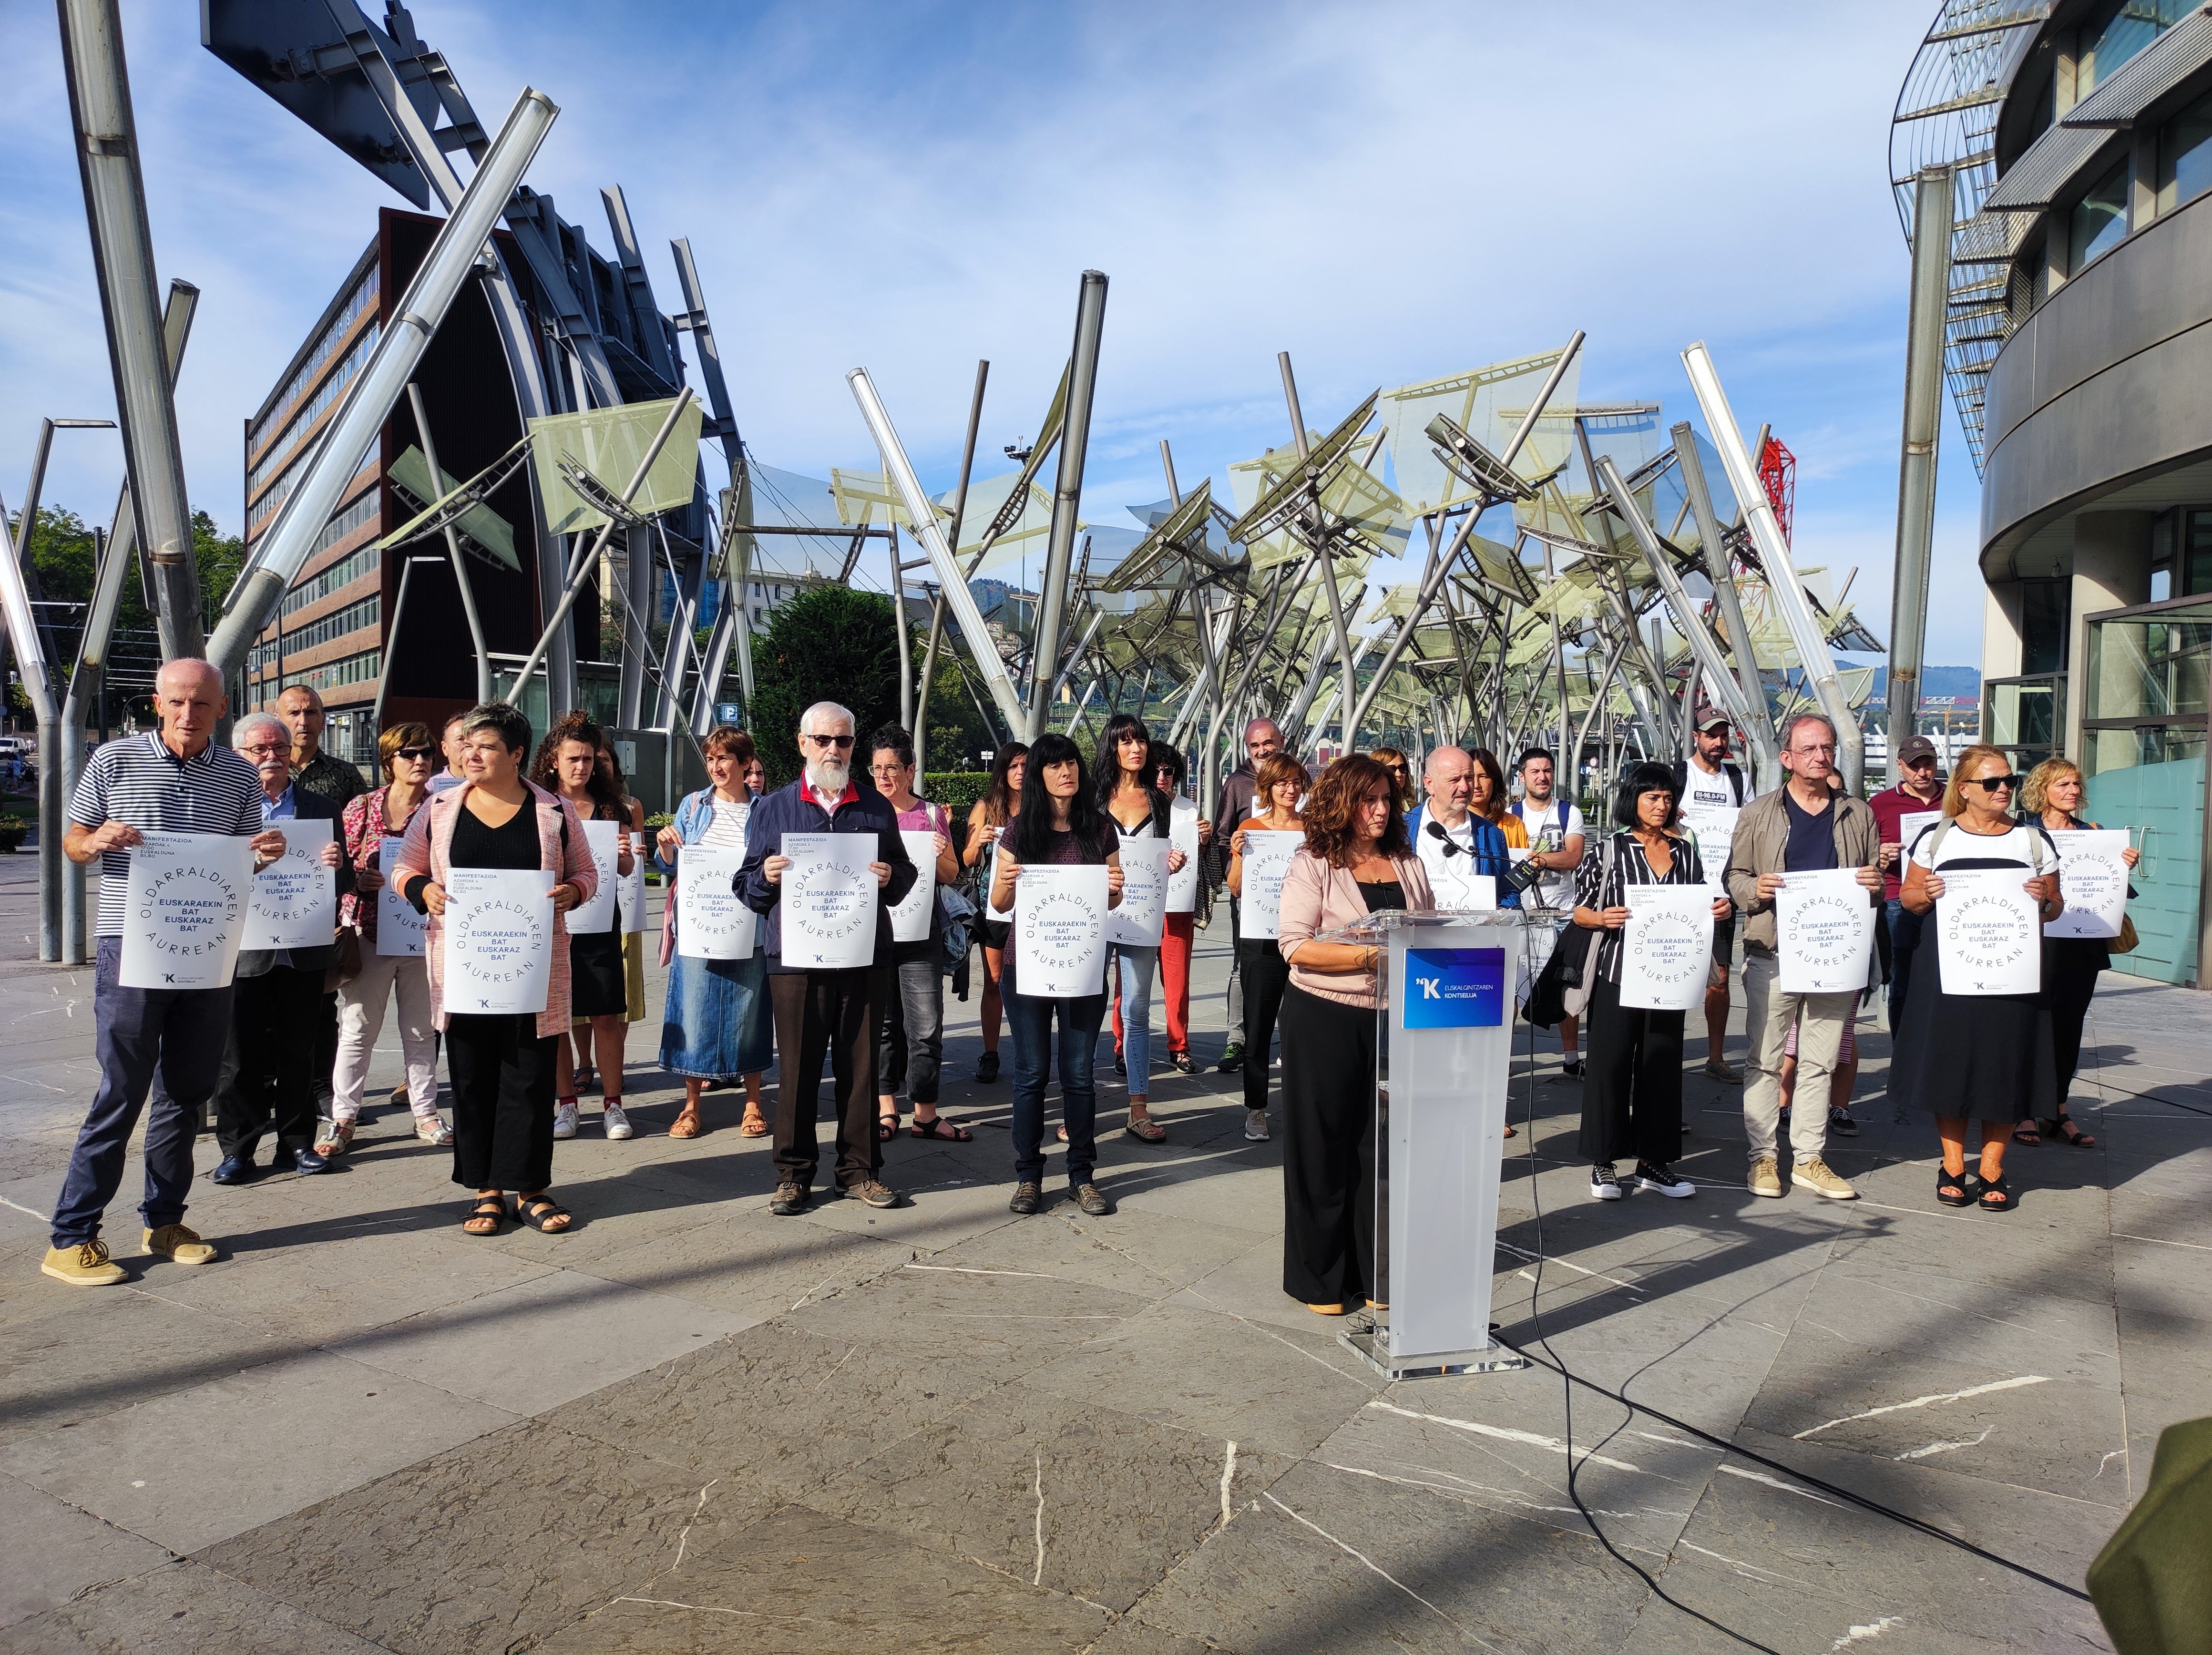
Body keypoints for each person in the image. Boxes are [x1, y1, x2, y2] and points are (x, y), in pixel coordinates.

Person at [43, 660, 287, 1285]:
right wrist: (96, 841)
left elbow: (242, 862)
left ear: (222, 708)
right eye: (177, 702)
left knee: (186, 1091)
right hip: (131, 946)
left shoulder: (239, 775)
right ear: (157, 703)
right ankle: (72, 1235)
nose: (188, 714)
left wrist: (266, 854)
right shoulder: (113, 761)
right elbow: (72, 842)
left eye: (201, 703)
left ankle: (165, 1220)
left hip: (206, 947)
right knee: (122, 1089)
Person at [393, 702, 598, 1236]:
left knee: (529, 1078)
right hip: (464, 971)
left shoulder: (554, 811)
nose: (472, 754)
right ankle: (486, 1189)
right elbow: (404, 867)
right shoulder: (440, 808)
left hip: (531, 971)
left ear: (516, 754)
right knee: (472, 1078)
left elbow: (587, 874)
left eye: (485, 746)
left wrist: (573, 892)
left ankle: (530, 1188)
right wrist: (423, 889)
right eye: (467, 745)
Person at [738, 700, 916, 1216]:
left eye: (842, 740)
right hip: (795, 960)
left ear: (853, 746)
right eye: (823, 740)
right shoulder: (774, 807)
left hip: (863, 956)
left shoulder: (875, 807)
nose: (833, 749)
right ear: (803, 744)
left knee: (861, 1068)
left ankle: (859, 1172)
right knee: (797, 1069)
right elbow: (745, 886)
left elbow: (904, 874)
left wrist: (891, 877)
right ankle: (793, 1176)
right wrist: (765, 877)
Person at [1276, 754, 1432, 1313]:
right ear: (1341, 802)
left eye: (1386, 799)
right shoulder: (1313, 862)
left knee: (1381, 1148)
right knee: (1322, 1145)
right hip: (1324, 1015)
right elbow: (1294, 946)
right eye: (1368, 800)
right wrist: (1370, 956)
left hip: (1396, 1017)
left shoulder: (1407, 862)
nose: (1380, 809)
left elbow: (1427, 929)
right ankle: (1321, 1278)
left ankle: (1376, 1275)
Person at [1892, 745, 2064, 1214]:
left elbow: (2055, 907)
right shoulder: (1936, 837)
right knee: (1951, 1065)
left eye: (2009, 780)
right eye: (1991, 782)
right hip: (1950, 971)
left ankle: (1991, 1167)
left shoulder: (2032, 841)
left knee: (2005, 1065)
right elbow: (1908, 898)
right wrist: (1926, 894)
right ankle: (1952, 1164)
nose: (2003, 789)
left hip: (2013, 972)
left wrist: (2043, 901)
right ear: (1964, 789)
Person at [1720, 713, 1881, 1202]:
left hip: (1834, 954)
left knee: (1820, 1061)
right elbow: (1734, 876)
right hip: (1773, 951)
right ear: (1787, 758)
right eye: (1809, 749)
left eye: (1827, 748)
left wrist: (1873, 882)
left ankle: (1809, 1158)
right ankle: (1762, 1157)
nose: (1820, 756)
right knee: (1765, 1060)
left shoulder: (1858, 813)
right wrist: (1757, 888)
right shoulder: (1758, 813)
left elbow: (1872, 880)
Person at [1571, 761, 1732, 1201]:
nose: (1661, 805)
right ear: (1634, 800)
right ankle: (1604, 1162)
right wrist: (1602, 918)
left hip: (1670, 974)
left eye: (1667, 797)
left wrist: (1719, 909)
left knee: (1661, 1066)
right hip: (1618, 974)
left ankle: (1653, 1163)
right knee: (1609, 1066)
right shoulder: (1609, 851)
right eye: (1652, 797)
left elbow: (1700, 903)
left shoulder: (1686, 852)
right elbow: (1579, 910)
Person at [210, 712, 354, 1181]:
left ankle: (296, 1144)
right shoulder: (225, 806)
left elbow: (345, 882)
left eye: (280, 748)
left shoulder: (321, 808)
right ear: (239, 755)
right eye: (260, 749)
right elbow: (210, 875)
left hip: (303, 949)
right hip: (244, 949)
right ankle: (238, 1150)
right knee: (240, 1056)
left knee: (300, 1053)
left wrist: (336, 866)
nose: (272, 757)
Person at [992, 732, 1125, 1216]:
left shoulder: (1100, 829)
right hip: (1025, 967)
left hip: (1081, 967)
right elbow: (998, 903)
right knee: (1030, 1074)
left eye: (1070, 763)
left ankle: (1081, 1175)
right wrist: (1007, 882)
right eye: (1053, 765)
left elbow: (1112, 900)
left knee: (1079, 1076)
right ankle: (1028, 1175)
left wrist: (1115, 887)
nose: (1065, 772)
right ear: (1038, 775)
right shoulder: (1018, 832)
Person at [324, 721, 448, 1154]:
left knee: (421, 1031)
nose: (421, 761)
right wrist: (359, 881)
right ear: (389, 760)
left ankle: (426, 1114)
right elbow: (338, 868)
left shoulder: (443, 808)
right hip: (370, 935)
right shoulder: (361, 807)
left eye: (427, 753)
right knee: (358, 1029)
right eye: (410, 754)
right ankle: (343, 1118)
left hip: (424, 935)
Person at [652, 726, 773, 1138]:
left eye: (724, 758)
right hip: (699, 924)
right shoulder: (693, 806)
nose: (716, 766)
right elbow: (671, 865)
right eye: (711, 759)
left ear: (745, 763)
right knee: (695, 1010)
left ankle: (753, 1103)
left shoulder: (766, 810)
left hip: (749, 926)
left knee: (750, 1014)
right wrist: (666, 845)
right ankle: (691, 1107)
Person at [2021, 756, 2140, 1149]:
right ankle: (2024, 1110)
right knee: (2031, 1024)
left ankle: (2058, 1110)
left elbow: (2113, 891)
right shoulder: (2023, 834)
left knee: (2069, 1027)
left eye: (2075, 784)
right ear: (2042, 790)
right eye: (2063, 785)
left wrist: (2123, 867)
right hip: (2037, 943)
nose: (2073, 791)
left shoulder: (2094, 833)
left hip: (2082, 945)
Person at [529, 712, 637, 1142]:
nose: (581, 767)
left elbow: (625, 870)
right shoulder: (539, 804)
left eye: (588, 759)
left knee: (606, 1014)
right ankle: (567, 1105)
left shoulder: (612, 807)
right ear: (553, 760)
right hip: (551, 923)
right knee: (556, 1017)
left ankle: (614, 1105)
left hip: (599, 922)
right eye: (573, 758)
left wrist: (625, 856)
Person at [869, 725, 969, 1144]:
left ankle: (925, 1113)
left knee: (926, 1027)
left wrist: (941, 853)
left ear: (911, 771)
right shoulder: (864, 814)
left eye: (893, 768)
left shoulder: (930, 816)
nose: (884, 777)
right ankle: (886, 1108)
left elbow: (951, 874)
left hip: (921, 934)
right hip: (874, 933)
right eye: (877, 769)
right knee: (883, 1026)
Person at [276, 684, 367, 1130]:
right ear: (278, 718)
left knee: (320, 1004)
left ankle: (321, 1088)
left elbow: (358, 840)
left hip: (320, 908)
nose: (303, 721)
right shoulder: (255, 769)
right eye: (294, 712)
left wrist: (348, 891)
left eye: (311, 712)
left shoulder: (344, 776)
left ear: (324, 718)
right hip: (262, 909)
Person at [1097, 714, 1190, 1144]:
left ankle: (1138, 1108)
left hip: (1140, 915)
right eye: (1126, 742)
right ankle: (1080, 1109)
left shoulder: (1158, 801)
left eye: (1141, 742)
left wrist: (1171, 862)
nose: (1135, 749)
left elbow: (1158, 856)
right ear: (1113, 747)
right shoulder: (1093, 797)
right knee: (1085, 1011)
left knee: (1136, 1010)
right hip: (1097, 913)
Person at [1226, 752, 1308, 1141]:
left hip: (1305, 938)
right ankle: (1256, 1108)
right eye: (1282, 783)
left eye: (1296, 782)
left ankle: (1302, 1106)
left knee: (1302, 1029)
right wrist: (1237, 853)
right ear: (1267, 788)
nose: (1290, 789)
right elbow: (1236, 887)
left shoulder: (1313, 829)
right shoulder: (1251, 828)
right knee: (1257, 1028)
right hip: (1261, 938)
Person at [1673, 715, 1751, 1084]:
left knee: (1720, 979)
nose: (1719, 743)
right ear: (1696, 737)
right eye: (1711, 736)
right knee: (1673, 973)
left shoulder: (1739, 780)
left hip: (1721, 896)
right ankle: (1664, 1053)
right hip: (1679, 893)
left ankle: (1716, 1057)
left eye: (1724, 735)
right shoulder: (1677, 776)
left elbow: (1750, 831)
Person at [1511, 747, 1587, 1077]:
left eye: (1547, 771)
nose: (1542, 777)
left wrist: (1536, 860)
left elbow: (1573, 858)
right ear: (1522, 777)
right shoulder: (1511, 816)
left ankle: (1571, 1058)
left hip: (1563, 914)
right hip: (1524, 915)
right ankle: (1503, 1059)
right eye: (1535, 772)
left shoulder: (1569, 813)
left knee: (1567, 986)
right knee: (1514, 987)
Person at [1215, 718, 1285, 1073]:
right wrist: (1235, 867)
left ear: (1281, 741)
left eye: (1268, 743)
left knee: (1294, 963)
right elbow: (1222, 834)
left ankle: (1290, 1040)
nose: (1262, 750)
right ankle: (1236, 1040)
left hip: (1294, 891)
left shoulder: (1296, 781)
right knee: (1242, 964)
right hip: (1249, 892)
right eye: (1255, 745)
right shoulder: (1237, 784)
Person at [584, 736, 651, 1094]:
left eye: (603, 760)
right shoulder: (561, 803)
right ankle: (584, 1064)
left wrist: (635, 852)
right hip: (579, 909)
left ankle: (613, 1065)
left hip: (622, 901)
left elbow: (633, 855)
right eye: (590, 759)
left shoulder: (627, 805)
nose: (597, 766)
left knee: (619, 987)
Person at [1869, 734, 1949, 1030]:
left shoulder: (1954, 798)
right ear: (1900, 766)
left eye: (1928, 764)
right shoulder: (1880, 804)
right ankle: (1902, 1045)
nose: (1923, 772)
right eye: (1915, 766)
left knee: (1944, 975)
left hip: (1947, 896)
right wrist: (1879, 855)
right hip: (1896, 900)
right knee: (1902, 979)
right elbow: (1863, 855)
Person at [962, 742, 1027, 1083]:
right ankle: (990, 1053)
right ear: (1002, 771)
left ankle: (1030, 1051)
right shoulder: (986, 808)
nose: (1020, 772)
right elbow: (967, 860)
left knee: (1031, 983)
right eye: (1013, 766)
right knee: (994, 981)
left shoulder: (1043, 806)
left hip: (1036, 904)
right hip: (995, 906)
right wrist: (979, 842)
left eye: (1026, 766)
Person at [1148, 741, 1208, 1075]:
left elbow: (1202, 861)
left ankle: (1179, 1046)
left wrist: (1205, 841)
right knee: (1129, 981)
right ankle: (1123, 1046)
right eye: (1155, 770)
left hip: (1177, 907)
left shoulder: (1188, 810)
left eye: (1168, 771)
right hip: (1138, 907)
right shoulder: (1133, 804)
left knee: (1178, 981)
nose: (1162, 777)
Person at [1406, 746, 1519, 910]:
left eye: (1469, 778)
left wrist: (1501, 912)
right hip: (1416, 927)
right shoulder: (1402, 829)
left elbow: (1507, 892)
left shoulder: (1491, 834)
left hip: (1477, 927)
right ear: (1430, 784)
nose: (1465, 788)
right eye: (1454, 780)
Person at [427, 709, 472, 793]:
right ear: (445, 748)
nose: (468, 744)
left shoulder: (490, 787)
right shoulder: (428, 789)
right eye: (461, 739)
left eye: (472, 739)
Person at [1369, 746, 1414, 814]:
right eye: (1392, 769)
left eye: (1402, 768)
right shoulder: (1370, 810)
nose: (1399, 774)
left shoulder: (1416, 810)